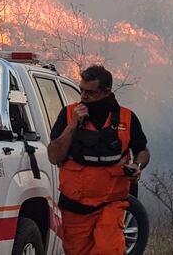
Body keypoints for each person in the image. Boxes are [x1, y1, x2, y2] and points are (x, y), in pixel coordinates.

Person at [48, 65, 150, 255]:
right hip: (74, 206)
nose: (84, 96)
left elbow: (143, 151)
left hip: (111, 203)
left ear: (106, 92)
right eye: (82, 91)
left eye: (90, 92)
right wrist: (72, 126)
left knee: (109, 248)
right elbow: (54, 156)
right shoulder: (68, 114)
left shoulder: (127, 118)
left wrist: (137, 165)